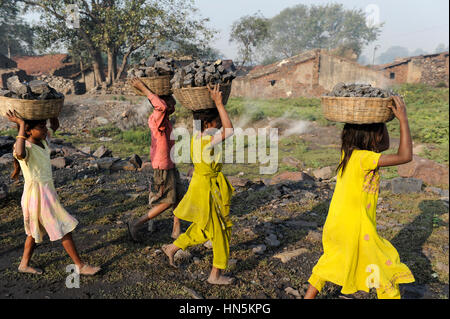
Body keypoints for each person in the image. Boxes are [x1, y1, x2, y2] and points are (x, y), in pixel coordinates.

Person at [304, 96, 415, 299]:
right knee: (385, 263)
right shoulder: (364, 159)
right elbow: (405, 156)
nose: (383, 138)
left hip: (337, 225)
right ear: (372, 138)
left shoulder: (349, 155)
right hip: (357, 228)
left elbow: (385, 147)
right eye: (380, 133)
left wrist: (383, 121)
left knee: (330, 261)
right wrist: (403, 120)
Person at [7, 110, 101, 276]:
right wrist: (21, 125)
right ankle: (80, 266)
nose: (45, 130)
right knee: (63, 227)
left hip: (46, 193)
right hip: (37, 196)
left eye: (44, 127)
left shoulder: (42, 142)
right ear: (28, 131)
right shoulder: (24, 146)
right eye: (41, 128)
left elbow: (55, 126)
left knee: (34, 232)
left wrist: (52, 113)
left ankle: (23, 264)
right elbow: (20, 153)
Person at [162, 84, 236, 285]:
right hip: (209, 190)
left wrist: (209, 103)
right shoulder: (208, 140)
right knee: (221, 231)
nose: (220, 125)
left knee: (205, 228)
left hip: (202, 186)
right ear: (207, 124)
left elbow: (203, 121)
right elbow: (229, 131)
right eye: (217, 122)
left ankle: (173, 247)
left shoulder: (197, 136)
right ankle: (215, 275)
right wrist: (219, 103)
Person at [128, 78, 184, 241]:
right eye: (168, 101)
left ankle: (176, 228)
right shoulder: (156, 117)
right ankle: (137, 223)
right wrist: (144, 89)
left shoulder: (165, 117)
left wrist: (170, 94)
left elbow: (168, 104)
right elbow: (161, 105)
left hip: (170, 163)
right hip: (163, 166)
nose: (172, 105)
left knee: (179, 195)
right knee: (167, 201)